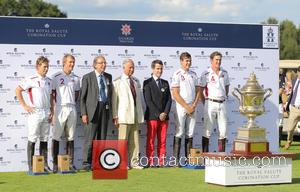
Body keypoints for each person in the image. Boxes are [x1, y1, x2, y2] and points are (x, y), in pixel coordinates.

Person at [15, 56, 53, 173]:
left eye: (47, 67)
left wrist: (52, 110)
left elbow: (51, 96)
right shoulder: (31, 79)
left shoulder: (49, 81)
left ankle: (44, 165)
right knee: (32, 138)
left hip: (46, 111)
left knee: (44, 138)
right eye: (44, 66)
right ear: (37, 66)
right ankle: (31, 166)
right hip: (35, 112)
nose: (46, 69)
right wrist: (25, 106)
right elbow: (18, 90)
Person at [80, 56, 113, 171]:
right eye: (100, 63)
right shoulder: (87, 77)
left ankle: (99, 162)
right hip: (91, 111)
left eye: (104, 63)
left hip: (105, 109)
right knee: (90, 139)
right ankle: (86, 163)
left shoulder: (108, 77)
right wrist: (83, 113)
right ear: (94, 65)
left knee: (102, 139)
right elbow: (82, 98)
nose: (103, 65)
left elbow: (110, 95)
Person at [112, 59, 144, 169]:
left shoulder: (135, 82)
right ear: (124, 67)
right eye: (129, 67)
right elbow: (114, 101)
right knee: (122, 141)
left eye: (133, 67)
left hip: (135, 115)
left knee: (135, 141)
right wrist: (115, 116)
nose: (131, 69)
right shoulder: (117, 82)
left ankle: (134, 163)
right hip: (123, 116)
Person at [51, 54, 80, 173]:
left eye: (73, 62)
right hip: (60, 108)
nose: (72, 64)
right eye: (70, 62)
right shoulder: (56, 77)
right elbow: (52, 94)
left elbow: (77, 94)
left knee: (71, 136)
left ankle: (70, 163)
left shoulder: (76, 78)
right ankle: (55, 164)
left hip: (72, 108)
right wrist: (53, 110)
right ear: (64, 62)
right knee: (56, 136)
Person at [171, 52, 201, 166]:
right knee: (179, 132)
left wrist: (193, 105)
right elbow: (175, 93)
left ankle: (189, 161)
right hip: (181, 106)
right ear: (181, 61)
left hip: (192, 107)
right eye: (186, 60)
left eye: (189, 60)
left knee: (190, 133)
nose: (188, 63)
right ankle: (175, 161)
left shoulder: (193, 74)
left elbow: (198, 91)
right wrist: (186, 106)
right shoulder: (177, 74)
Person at [143, 59, 172, 167]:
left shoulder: (165, 83)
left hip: (164, 118)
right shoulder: (147, 83)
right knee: (150, 140)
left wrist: (164, 113)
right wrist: (158, 114)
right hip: (152, 117)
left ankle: (161, 162)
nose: (159, 71)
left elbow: (169, 100)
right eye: (157, 68)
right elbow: (148, 101)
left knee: (162, 141)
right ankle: (150, 162)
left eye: (161, 69)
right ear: (153, 69)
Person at [199, 51, 230, 153]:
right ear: (211, 60)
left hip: (222, 103)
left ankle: (222, 157)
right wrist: (206, 102)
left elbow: (226, 88)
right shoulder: (206, 73)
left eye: (220, 59)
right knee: (207, 131)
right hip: (210, 103)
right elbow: (200, 91)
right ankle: (205, 158)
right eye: (216, 59)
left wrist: (222, 98)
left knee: (223, 131)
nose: (218, 61)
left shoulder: (224, 73)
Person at [284, 66, 300, 149]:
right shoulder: (294, 81)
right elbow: (291, 94)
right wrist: (287, 106)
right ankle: (289, 141)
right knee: (290, 129)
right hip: (294, 109)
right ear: (297, 72)